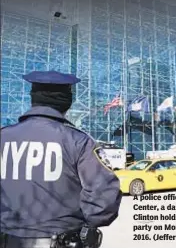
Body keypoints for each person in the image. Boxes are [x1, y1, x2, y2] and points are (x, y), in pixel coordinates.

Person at [0, 71, 122, 248]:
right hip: (60, 240)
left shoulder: (4, 137)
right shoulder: (79, 141)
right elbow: (103, 200)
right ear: (67, 102)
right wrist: (83, 225)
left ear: (33, 98)